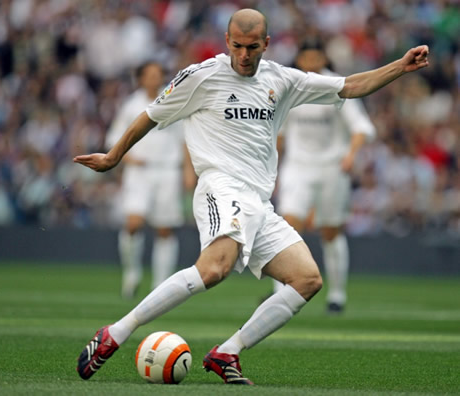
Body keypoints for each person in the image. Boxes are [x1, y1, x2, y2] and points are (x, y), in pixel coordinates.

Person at [73, 8, 429, 385]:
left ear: (267, 44)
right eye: (238, 46)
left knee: (307, 280)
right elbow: (151, 114)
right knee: (214, 268)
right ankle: (116, 333)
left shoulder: (283, 80)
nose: (244, 55)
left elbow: (349, 86)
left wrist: (399, 67)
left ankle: (228, 351)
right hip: (220, 186)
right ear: (227, 41)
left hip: (259, 201)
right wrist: (114, 155)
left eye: (253, 47)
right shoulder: (201, 76)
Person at [273, 39, 376, 314]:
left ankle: (337, 295)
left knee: (330, 231)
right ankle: (279, 293)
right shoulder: (291, 86)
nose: (311, 63)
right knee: (288, 225)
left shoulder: (337, 86)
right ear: (300, 60)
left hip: (332, 167)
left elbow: (361, 127)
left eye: (316, 57)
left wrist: (351, 155)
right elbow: (278, 132)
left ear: (323, 59)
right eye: (306, 58)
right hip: (298, 166)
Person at [105, 62, 192, 298]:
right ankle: (131, 273)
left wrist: (187, 171)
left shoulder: (173, 100)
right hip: (139, 172)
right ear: (140, 78)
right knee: (133, 223)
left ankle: (160, 286)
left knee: (165, 229)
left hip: (167, 171)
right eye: (149, 75)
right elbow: (114, 138)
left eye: (158, 74)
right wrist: (127, 158)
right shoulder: (131, 105)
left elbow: (184, 139)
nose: (154, 79)